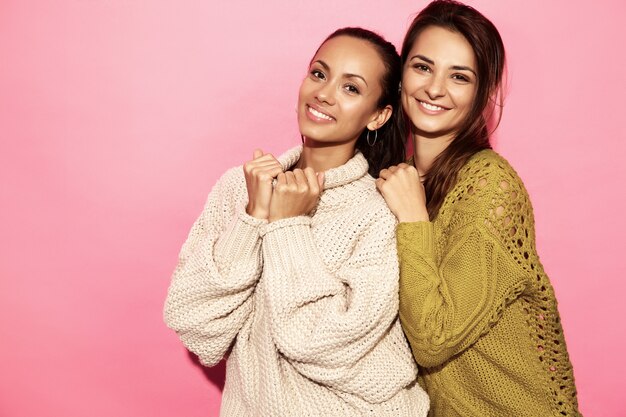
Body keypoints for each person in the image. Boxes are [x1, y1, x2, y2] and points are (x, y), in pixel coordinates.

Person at [164, 27, 429, 416]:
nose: (323, 93)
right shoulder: (241, 188)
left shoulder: (379, 212)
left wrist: (287, 226)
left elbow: (323, 342)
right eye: (319, 74)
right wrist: (254, 217)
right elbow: (196, 326)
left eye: (351, 88)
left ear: (378, 116)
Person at [375, 1, 581, 416]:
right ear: (401, 78)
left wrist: (414, 220)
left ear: (483, 93)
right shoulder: (401, 181)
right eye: (422, 67)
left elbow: (434, 337)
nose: (435, 88)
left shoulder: (489, 184)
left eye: (459, 77)